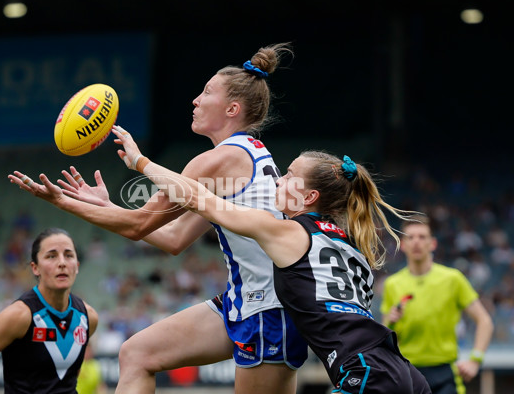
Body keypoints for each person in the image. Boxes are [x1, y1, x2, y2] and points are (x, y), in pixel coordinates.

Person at [8, 42, 308, 394]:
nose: (195, 100)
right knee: (137, 353)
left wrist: (63, 202)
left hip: (269, 311)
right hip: (244, 302)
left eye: (206, 92)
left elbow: (140, 225)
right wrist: (105, 206)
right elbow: (174, 238)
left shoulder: (218, 160)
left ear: (232, 108)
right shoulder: (244, 155)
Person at [107, 126, 432, 393]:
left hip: (365, 374)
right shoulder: (349, 244)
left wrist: (140, 162)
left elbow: (200, 199)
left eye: (289, 176)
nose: (279, 180)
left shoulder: (290, 233)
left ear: (309, 197)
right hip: (402, 373)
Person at [0, 228, 99, 394]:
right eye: (51, 256)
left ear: (76, 266)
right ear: (35, 268)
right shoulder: (20, 315)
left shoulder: (88, 318)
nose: (62, 262)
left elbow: (67, 378)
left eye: (69, 255)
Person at [381, 215, 494, 394]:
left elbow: (484, 321)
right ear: (403, 244)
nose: (416, 242)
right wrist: (391, 321)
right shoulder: (392, 284)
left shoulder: (453, 279)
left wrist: (475, 360)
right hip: (407, 371)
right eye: (410, 237)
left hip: (445, 372)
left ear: (432, 243)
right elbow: (387, 334)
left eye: (422, 237)